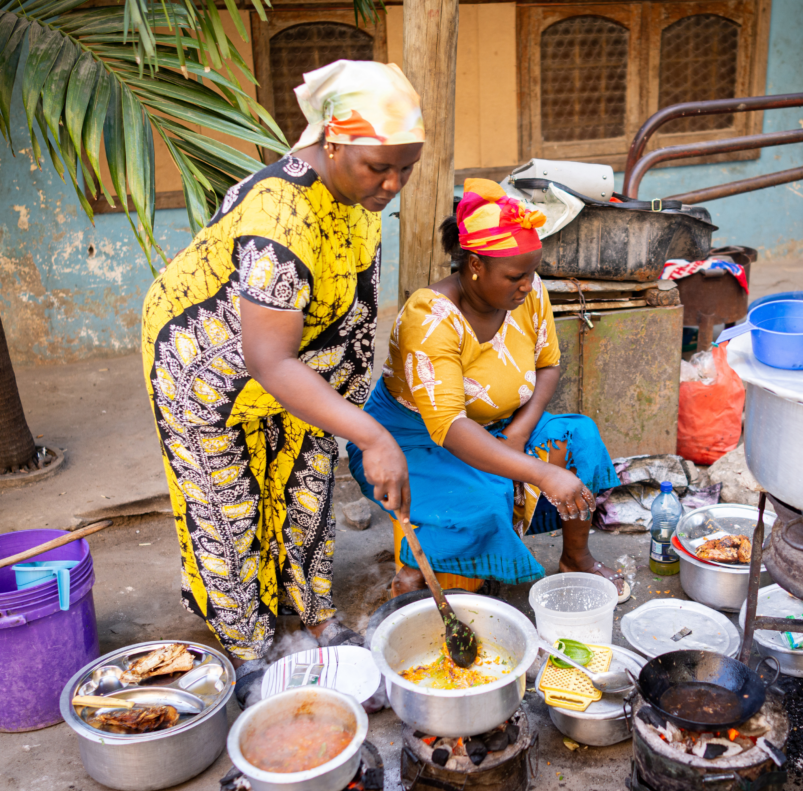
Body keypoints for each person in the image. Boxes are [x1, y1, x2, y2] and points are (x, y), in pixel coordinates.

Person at [141, 60, 422, 705]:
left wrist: (343, 410)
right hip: (206, 369)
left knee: (306, 490)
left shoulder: (356, 203)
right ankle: (250, 649)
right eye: (378, 166)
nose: (391, 183)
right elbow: (268, 359)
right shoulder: (278, 214)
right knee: (228, 506)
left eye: (403, 168)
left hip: (303, 371)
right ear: (331, 141)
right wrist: (371, 433)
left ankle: (314, 616)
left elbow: (349, 307)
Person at [349, 179, 628, 601]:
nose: (528, 286)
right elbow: (449, 427)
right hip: (417, 439)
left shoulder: (527, 293)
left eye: (532, 273)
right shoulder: (430, 318)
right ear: (475, 265)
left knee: (580, 438)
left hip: (500, 425)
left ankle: (577, 558)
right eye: (516, 276)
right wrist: (541, 472)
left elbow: (548, 363)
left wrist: (517, 434)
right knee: (480, 510)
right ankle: (425, 566)